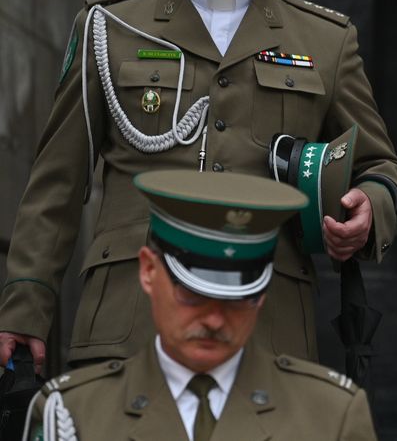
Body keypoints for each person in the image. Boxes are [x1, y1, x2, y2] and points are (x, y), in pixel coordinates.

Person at [0, 0, 397, 371]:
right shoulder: (109, 28)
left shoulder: (325, 42)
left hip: (269, 329)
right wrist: (23, 308)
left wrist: (368, 209)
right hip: (131, 320)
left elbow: (386, 169)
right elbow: (55, 185)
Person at [22, 170, 378, 441]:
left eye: (237, 298)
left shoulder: (332, 416)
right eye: (192, 294)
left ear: (262, 293)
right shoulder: (73, 415)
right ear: (148, 271)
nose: (213, 319)